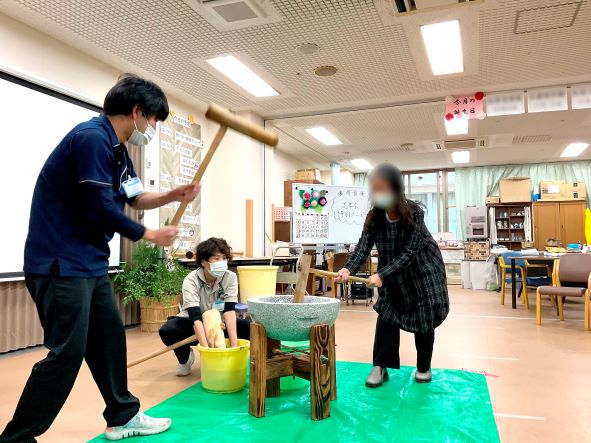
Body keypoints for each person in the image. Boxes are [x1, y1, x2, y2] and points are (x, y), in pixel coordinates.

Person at [0, 74, 201, 443]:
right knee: (67, 354)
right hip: (60, 264)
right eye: (154, 121)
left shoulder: (118, 148)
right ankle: (16, 438)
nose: (152, 129)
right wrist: (149, 235)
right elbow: (97, 207)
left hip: (88, 264)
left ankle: (123, 415)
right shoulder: (91, 139)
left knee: (109, 339)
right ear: (138, 112)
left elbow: (135, 197)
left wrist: (174, 194)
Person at [336, 163, 449, 387]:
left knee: (424, 318)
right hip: (393, 273)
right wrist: (349, 268)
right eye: (375, 189)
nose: (379, 194)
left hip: (423, 272)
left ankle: (424, 366)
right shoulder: (374, 217)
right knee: (386, 314)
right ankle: (380, 366)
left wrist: (382, 274)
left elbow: (410, 251)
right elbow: (363, 246)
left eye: (383, 188)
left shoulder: (414, 213)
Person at [159, 238, 250, 376]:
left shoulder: (230, 277)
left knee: (252, 328)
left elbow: (229, 312)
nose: (222, 262)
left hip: (220, 325)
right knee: (168, 330)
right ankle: (185, 359)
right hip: (192, 324)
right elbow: (195, 318)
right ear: (203, 262)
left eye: (224, 258)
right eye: (217, 258)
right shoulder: (191, 280)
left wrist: (234, 347)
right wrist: (207, 355)